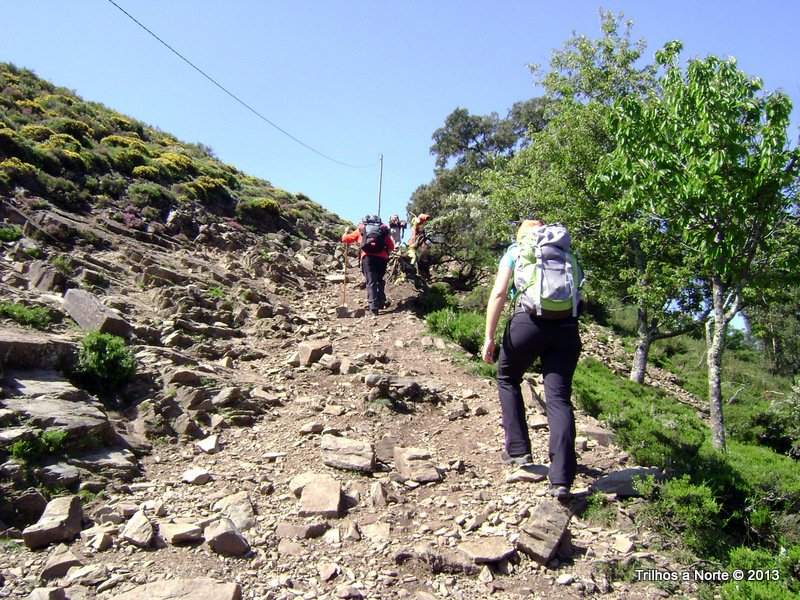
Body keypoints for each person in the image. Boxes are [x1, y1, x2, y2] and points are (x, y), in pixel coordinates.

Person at [481, 219, 583, 500]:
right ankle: (561, 479)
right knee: (559, 399)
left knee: (507, 378)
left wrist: (489, 336)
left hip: (528, 324)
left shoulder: (516, 251)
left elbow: (499, 292)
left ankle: (518, 451)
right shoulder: (566, 252)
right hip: (567, 328)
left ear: (521, 235)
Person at [342, 215, 395, 315]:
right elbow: (391, 246)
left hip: (367, 257)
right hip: (382, 258)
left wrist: (346, 232)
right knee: (379, 279)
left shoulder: (361, 230)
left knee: (371, 281)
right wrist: (385, 254)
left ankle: (373, 308)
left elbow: (345, 239)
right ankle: (381, 299)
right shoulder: (382, 230)